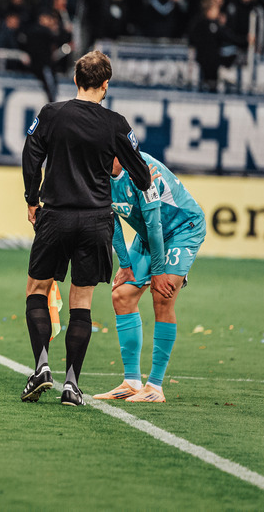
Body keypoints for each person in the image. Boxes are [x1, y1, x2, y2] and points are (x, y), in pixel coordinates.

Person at [20, 50, 152, 406]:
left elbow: (31, 156)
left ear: (76, 80)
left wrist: (32, 199)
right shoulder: (115, 123)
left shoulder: (51, 114)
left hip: (56, 215)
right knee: (81, 300)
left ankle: (42, 366)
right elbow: (139, 174)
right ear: (105, 84)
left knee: (37, 288)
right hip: (96, 220)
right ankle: (71, 384)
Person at [94, 154, 206, 403]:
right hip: (149, 234)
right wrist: (124, 265)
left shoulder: (143, 171)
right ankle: (132, 382)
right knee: (121, 295)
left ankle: (154, 386)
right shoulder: (97, 172)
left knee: (162, 295)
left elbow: (156, 225)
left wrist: (158, 271)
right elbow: (109, 220)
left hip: (182, 229)